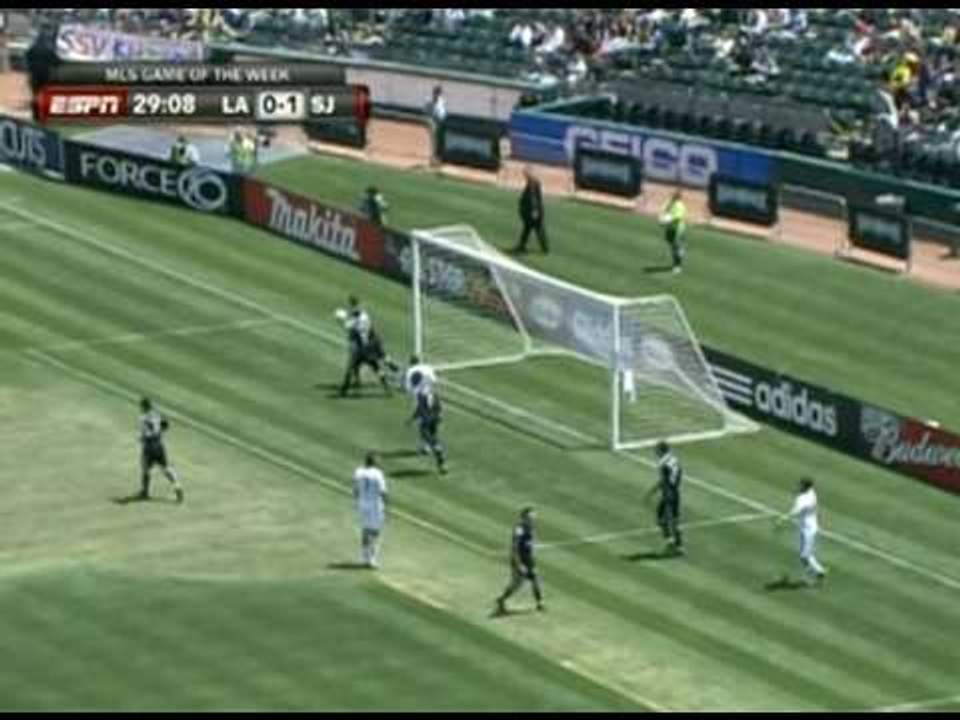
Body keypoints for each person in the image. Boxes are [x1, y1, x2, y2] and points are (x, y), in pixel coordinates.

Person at [336, 296, 393, 397]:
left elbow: (350, 328)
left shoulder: (353, 323)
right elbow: (357, 314)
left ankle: (344, 390)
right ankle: (387, 388)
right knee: (376, 367)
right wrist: (349, 316)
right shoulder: (365, 316)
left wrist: (342, 320)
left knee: (350, 367)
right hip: (369, 347)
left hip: (361, 349)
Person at [775, 477, 827, 585]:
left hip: (808, 530)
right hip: (807, 528)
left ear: (806, 487)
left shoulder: (803, 499)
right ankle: (817, 572)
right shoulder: (812, 493)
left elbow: (796, 511)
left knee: (804, 556)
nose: (799, 486)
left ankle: (819, 573)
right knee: (805, 555)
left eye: (801, 485)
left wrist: (782, 519)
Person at [494, 507, 544, 615]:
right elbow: (515, 548)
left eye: (533, 517)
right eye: (530, 517)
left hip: (529, 559)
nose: (533, 519)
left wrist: (532, 551)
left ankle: (540, 603)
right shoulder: (519, 529)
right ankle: (502, 599)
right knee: (517, 584)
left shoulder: (532, 528)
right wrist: (519, 564)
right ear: (524, 518)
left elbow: (531, 543)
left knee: (535, 579)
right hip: (519, 559)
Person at [136, 397, 184, 503]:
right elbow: (166, 425)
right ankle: (178, 487)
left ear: (144, 406)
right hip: (159, 445)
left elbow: (144, 434)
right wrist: (160, 433)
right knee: (166, 468)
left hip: (149, 446)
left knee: (145, 468)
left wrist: (142, 439)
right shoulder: (157, 414)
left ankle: (145, 492)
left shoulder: (143, 418)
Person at [645, 440, 684, 555]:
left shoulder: (663, 463)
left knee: (661, 520)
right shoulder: (674, 459)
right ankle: (679, 546)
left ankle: (670, 544)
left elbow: (664, 481)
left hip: (668, 493)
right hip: (676, 492)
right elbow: (679, 474)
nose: (655, 452)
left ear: (661, 450)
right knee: (675, 520)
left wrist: (654, 492)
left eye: (657, 450)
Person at [407, 374, 447, 474]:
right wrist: (440, 416)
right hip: (435, 420)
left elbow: (419, 409)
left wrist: (412, 419)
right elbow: (440, 407)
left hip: (426, 420)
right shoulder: (434, 394)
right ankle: (434, 453)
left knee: (430, 439)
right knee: (433, 438)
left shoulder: (420, 395)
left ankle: (439, 459)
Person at [354, 452, 388, 569]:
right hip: (375, 505)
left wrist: (357, 503)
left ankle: (365, 557)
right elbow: (383, 492)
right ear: (374, 462)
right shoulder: (378, 474)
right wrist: (386, 506)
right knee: (375, 532)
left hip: (362, 504)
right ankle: (372, 559)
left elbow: (356, 490)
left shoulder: (358, 472)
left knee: (365, 530)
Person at [513, 166, 549, 254]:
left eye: (525, 173)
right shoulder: (534, 182)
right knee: (530, 229)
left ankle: (544, 248)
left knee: (536, 229)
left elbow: (533, 198)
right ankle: (523, 246)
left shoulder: (533, 183)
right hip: (535, 211)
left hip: (534, 212)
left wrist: (534, 210)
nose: (524, 175)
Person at [659, 190, 687, 272]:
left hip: (678, 228)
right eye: (672, 195)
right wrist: (662, 218)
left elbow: (678, 217)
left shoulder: (680, 205)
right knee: (672, 246)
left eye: (674, 195)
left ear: (678, 196)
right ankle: (679, 254)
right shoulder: (670, 203)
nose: (672, 196)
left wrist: (667, 220)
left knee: (676, 247)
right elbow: (664, 210)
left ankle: (677, 265)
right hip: (670, 228)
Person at [426, 84, 447, 168]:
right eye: (436, 92)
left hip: (441, 123)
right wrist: (430, 119)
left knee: (439, 142)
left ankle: (436, 160)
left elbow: (443, 113)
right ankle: (432, 160)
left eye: (439, 92)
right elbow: (427, 112)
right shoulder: (429, 101)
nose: (437, 94)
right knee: (434, 142)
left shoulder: (442, 101)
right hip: (433, 122)